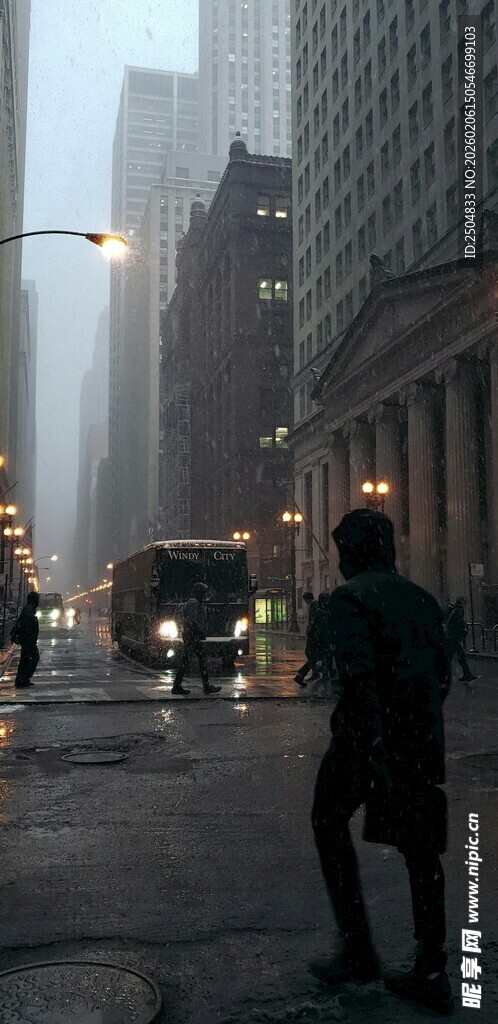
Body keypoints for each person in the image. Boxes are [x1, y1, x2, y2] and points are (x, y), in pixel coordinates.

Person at [310, 509, 453, 1015]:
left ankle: (358, 950)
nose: (342, 558)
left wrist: (369, 749)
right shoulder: (423, 599)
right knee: (421, 852)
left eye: (343, 548)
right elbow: (442, 678)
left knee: (327, 821)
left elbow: (358, 680)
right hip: (420, 739)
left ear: (356, 550)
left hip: (366, 741)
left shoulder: (350, 599)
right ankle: (431, 968)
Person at [172, 582, 221, 696]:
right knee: (194, 660)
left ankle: (181, 685)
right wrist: (200, 631)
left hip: (190, 635)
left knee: (195, 660)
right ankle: (179, 685)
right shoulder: (194, 603)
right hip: (192, 636)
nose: (204, 596)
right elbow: (192, 621)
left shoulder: (192, 602)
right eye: (203, 593)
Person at [445, 596, 479, 690]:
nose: (466, 604)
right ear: (462, 602)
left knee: (458, 657)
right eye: (465, 602)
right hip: (453, 638)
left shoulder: (455, 609)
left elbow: (451, 623)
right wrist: (463, 630)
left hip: (450, 637)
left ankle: (467, 675)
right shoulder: (459, 610)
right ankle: (467, 676)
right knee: (457, 657)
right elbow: (458, 623)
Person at [14, 591, 40, 689]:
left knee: (25, 659)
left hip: (27, 640)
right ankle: (23, 680)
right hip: (28, 640)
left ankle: (22, 680)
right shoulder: (29, 609)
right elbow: (28, 626)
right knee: (32, 659)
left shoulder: (29, 608)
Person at [294, 592, 321, 687]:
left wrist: (310, 630)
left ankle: (303, 674)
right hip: (314, 636)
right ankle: (314, 673)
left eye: (305, 599)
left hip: (314, 636)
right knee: (312, 655)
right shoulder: (315, 606)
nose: (305, 602)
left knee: (312, 655)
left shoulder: (315, 607)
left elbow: (313, 622)